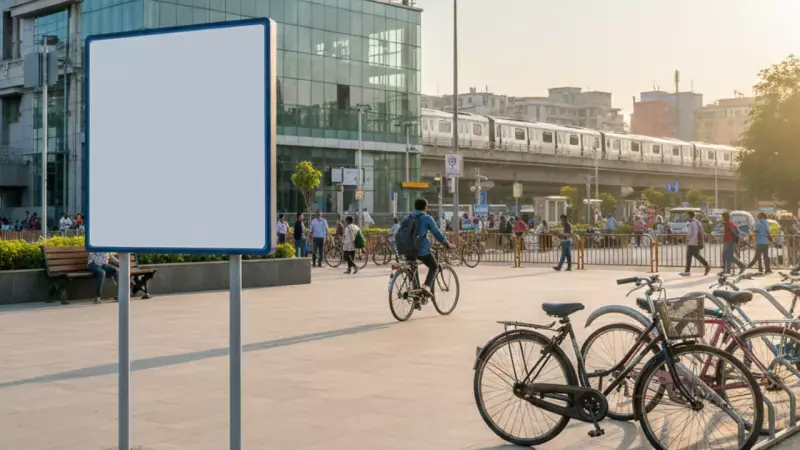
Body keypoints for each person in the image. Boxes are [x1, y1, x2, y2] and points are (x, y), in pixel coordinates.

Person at [400, 198, 453, 297]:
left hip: (406, 249)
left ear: (415, 207)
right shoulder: (426, 218)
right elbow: (436, 232)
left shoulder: (407, 218)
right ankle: (426, 286)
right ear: (425, 207)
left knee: (412, 268)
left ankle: (415, 296)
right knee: (434, 266)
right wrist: (446, 243)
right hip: (421, 249)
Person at [680, 211, 711, 277]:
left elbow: (694, 233)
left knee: (696, 255)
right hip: (692, 242)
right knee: (689, 256)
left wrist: (689, 239)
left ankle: (707, 265)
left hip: (694, 242)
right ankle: (687, 271)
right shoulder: (696, 222)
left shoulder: (693, 223)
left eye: (687, 215)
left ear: (690, 215)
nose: (686, 217)